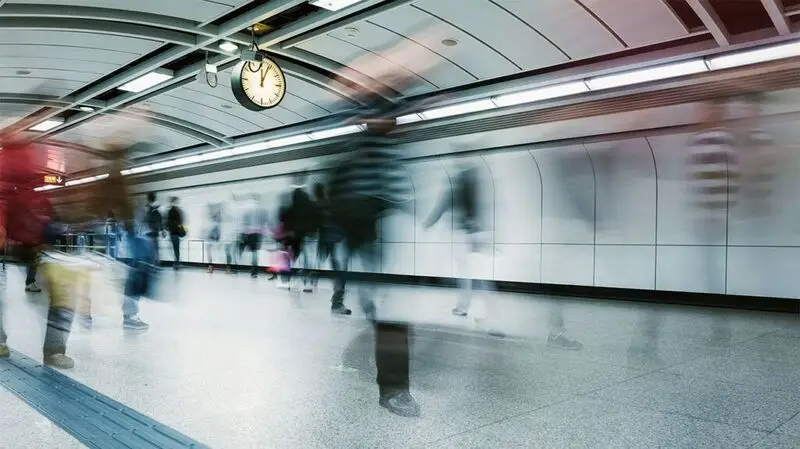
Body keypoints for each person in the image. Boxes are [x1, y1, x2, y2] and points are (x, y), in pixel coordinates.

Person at [328, 111, 419, 417]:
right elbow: (340, 199)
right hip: (366, 237)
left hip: (382, 236)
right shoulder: (358, 156)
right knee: (385, 307)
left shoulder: (391, 151)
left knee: (388, 308)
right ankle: (393, 389)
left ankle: (394, 385)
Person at [313, 182, 349, 314]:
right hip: (337, 241)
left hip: (333, 243)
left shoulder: (322, 206)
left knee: (339, 273)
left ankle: (337, 302)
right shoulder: (326, 205)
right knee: (341, 273)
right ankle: (337, 303)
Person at [283, 175, 319, 291]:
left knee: (293, 258)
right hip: (308, 234)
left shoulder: (292, 205)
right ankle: (307, 284)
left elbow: (286, 218)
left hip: (296, 235)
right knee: (307, 259)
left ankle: (288, 281)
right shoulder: (310, 204)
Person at [143, 192, 163, 265]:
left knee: (151, 250)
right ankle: (156, 263)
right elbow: (159, 219)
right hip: (154, 232)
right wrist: (161, 228)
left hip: (150, 232)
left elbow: (146, 220)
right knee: (155, 249)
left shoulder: (150, 209)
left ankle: (153, 264)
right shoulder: (155, 209)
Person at [166, 196, 185, 269]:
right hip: (176, 233)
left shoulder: (171, 211)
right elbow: (180, 222)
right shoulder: (177, 211)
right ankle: (177, 262)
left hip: (173, 233)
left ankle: (176, 262)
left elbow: (169, 222)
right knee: (176, 248)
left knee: (175, 248)